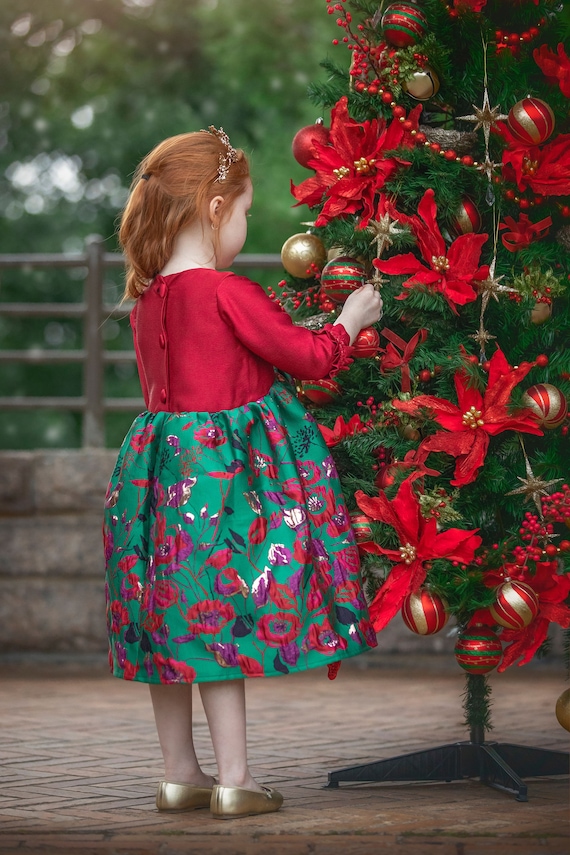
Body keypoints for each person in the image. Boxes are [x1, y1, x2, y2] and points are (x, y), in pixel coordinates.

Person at [103, 127, 382, 820]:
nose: (248, 223)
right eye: (248, 209)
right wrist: (352, 317)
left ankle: (179, 773)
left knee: (170, 624)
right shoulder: (226, 291)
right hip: (220, 483)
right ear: (215, 206)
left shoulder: (146, 298)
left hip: (155, 477)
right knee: (217, 618)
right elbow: (308, 357)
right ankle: (235, 778)